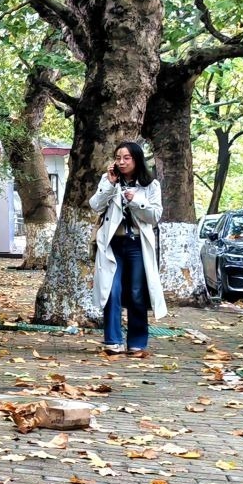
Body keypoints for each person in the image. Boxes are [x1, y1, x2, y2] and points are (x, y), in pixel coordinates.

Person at [89, 140, 168, 355]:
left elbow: (154, 216)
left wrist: (136, 201)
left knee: (136, 293)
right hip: (112, 244)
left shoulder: (150, 185)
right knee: (111, 290)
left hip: (137, 246)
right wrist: (109, 184)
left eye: (126, 158)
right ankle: (113, 340)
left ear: (137, 159)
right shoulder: (109, 180)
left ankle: (137, 342)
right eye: (118, 158)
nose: (121, 162)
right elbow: (95, 205)